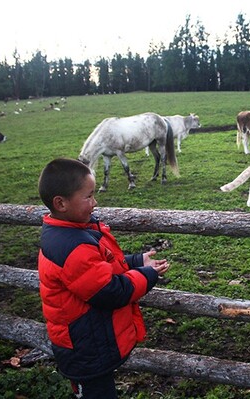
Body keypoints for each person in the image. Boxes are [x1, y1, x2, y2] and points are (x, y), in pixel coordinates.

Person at [37, 158, 170, 398]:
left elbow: (99, 268)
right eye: (88, 196)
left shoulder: (69, 232)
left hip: (88, 341)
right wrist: (147, 274)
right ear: (61, 203)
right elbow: (109, 290)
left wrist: (137, 261)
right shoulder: (72, 245)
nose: (95, 202)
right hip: (85, 348)